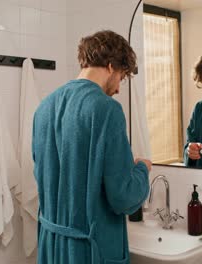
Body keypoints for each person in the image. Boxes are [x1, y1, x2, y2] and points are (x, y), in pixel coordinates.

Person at [32, 30, 152, 264]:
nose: (118, 89)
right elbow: (123, 196)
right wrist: (141, 170)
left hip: (51, 246)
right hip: (90, 251)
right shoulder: (107, 110)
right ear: (110, 67)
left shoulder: (44, 108)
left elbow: (44, 175)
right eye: (121, 77)